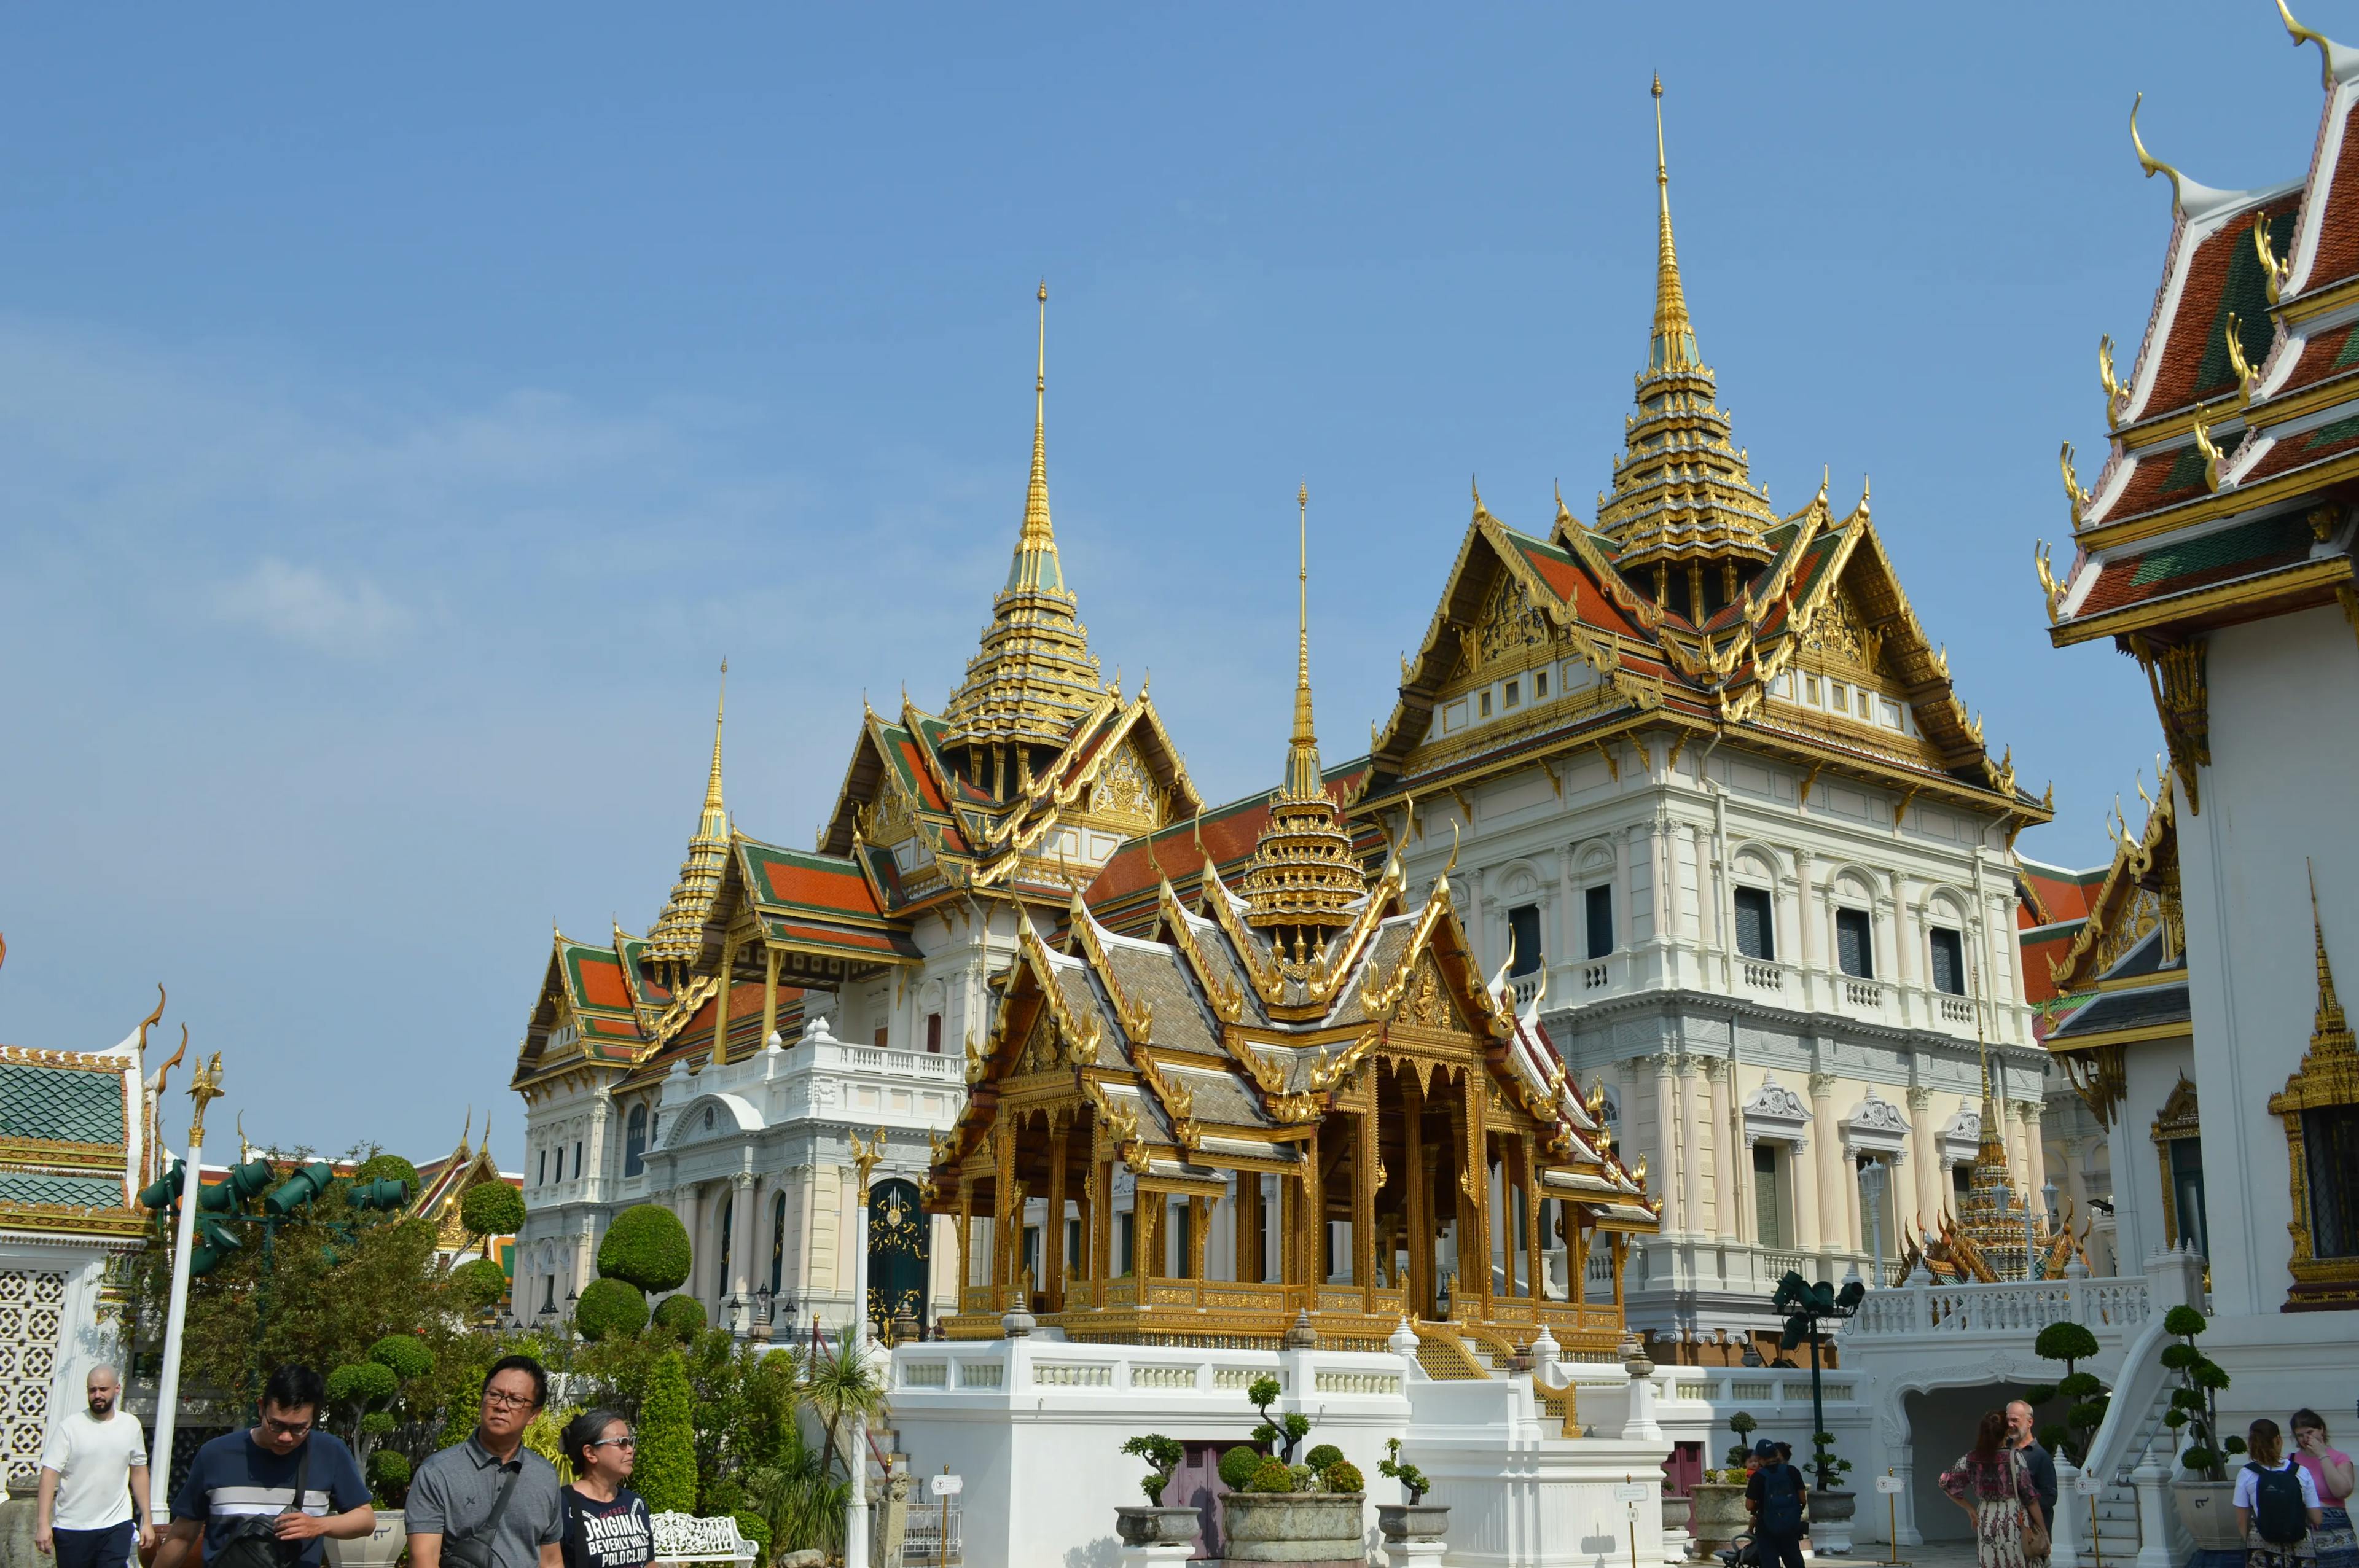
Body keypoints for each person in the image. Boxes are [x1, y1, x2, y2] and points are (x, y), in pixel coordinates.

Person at [154, 1363, 375, 1568]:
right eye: (276, 1425)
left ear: (314, 1420)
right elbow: (183, 1534)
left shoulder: (330, 1452)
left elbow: (365, 1519)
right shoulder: (216, 1455)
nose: (286, 1437)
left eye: (299, 1428)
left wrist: (318, 1526)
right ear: (261, 1408)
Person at [407, 1355, 564, 1568]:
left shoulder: (545, 1475)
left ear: (534, 1415)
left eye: (516, 1400)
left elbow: (551, 1560)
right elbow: (423, 1560)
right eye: (495, 1395)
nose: (502, 1406)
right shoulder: (437, 1473)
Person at [34, 1366, 155, 1568]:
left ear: (117, 1389)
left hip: (116, 1524)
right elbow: (49, 1474)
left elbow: (139, 1472)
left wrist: (148, 1521)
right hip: (73, 1527)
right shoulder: (70, 1427)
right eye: (92, 1390)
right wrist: (43, 1524)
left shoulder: (131, 1425)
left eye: (103, 1389)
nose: (97, 1395)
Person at [1941, 1408, 2046, 1568]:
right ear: (2006, 1432)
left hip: (1986, 1518)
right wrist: (2043, 1531)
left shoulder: (1971, 1459)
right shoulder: (2015, 1458)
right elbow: (2030, 1498)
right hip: (2012, 1519)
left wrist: (1970, 1509)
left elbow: (1945, 1483)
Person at [558, 1409, 652, 1568]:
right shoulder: (563, 1505)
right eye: (621, 1442)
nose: (630, 1450)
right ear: (590, 1453)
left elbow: (649, 1562)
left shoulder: (636, 1504)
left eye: (630, 1442)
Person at [2238, 1418, 2325, 1568]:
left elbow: (2241, 1520)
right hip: (2299, 1547)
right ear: (2278, 1440)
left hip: (2261, 1545)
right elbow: (2316, 1518)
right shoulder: (2300, 1472)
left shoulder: (2247, 1473)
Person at [2291, 1409, 2357, 1568]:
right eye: (2300, 1435)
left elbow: (2342, 1491)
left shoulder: (2339, 1458)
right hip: (2303, 1530)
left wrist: (2322, 1455)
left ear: (2321, 1429)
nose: (2306, 1439)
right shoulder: (2291, 1460)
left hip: (2336, 1531)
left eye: (2310, 1432)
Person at [1745, 1437, 1810, 1568]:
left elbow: (1749, 1506)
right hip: (1790, 1525)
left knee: (1770, 1562)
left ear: (1758, 1457)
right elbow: (1803, 1499)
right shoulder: (1792, 1471)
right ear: (1776, 1453)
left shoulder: (1758, 1477)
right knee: (1794, 1561)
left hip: (1766, 1527)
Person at [2006, 1400, 2059, 1540]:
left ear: (2030, 1422)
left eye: (2015, 1420)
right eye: (2007, 1420)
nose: (2010, 1425)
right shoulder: (2001, 1452)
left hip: (2032, 1533)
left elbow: (2050, 1497)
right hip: (2005, 1532)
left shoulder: (2040, 1456)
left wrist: (2023, 1502)